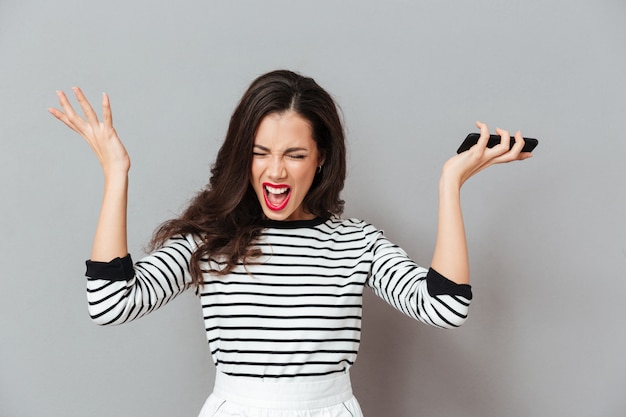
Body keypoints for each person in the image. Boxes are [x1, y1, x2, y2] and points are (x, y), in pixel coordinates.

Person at [48, 69, 532, 417]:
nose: (275, 171)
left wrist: (450, 185)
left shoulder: (355, 242)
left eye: (294, 154)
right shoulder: (211, 238)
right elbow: (110, 302)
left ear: (321, 158)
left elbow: (446, 308)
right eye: (260, 153)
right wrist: (116, 174)